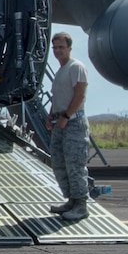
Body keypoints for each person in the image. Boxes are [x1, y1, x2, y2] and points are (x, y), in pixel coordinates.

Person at [46, 31, 92, 221]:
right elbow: (59, 98)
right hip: (60, 121)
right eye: (55, 47)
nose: (57, 51)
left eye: (61, 47)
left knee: (74, 163)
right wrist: (51, 116)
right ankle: (71, 200)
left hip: (73, 122)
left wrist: (66, 116)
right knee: (59, 162)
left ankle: (81, 204)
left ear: (70, 48)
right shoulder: (61, 71)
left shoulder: (76, 67)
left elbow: (80, 94)